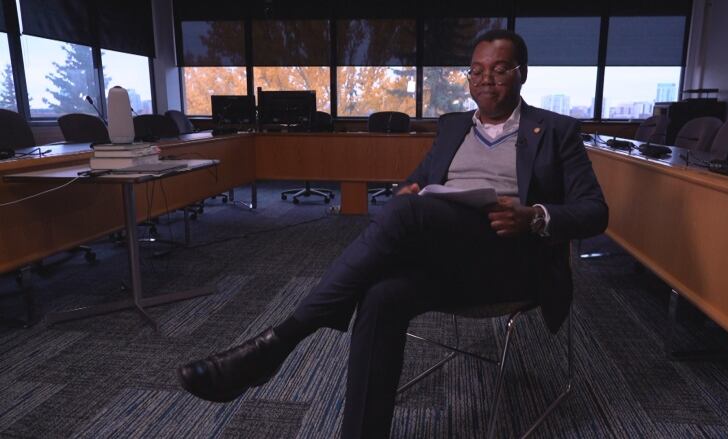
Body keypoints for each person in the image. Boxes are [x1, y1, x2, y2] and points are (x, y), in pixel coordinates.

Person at [177, 29, 608, 438]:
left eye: (499, 68)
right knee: (382, 295)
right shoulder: (455, 125)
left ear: (522, 73)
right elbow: (416, 183)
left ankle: (279, 342)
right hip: (447, 256)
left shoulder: (555, 131)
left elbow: (595, 212)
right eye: (476, 70)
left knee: (403, 216)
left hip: (511, 259)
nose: (485, 79)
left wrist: (533, 215)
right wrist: (409, 189)